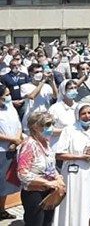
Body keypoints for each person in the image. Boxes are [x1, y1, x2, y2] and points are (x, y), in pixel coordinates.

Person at [52, 102, 90, 226]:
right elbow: (59, 154)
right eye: (83, 113)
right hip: (73, 174)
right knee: (74, 201)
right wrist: (80, 157)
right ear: (78, 115)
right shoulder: (69, 130)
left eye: (89, 113)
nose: (87, 116)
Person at [16, 111, 65, 226]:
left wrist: (58, 178)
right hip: (34, 193)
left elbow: (51, 166)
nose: (51, 128)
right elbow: (22, 173)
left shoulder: (46, 142)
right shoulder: (29, 145)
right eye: (47, 125)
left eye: (52, 124)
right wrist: (47, 182)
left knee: (47, 223)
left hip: (49, 192)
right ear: (35, 127)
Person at [0, 83, 22, 221]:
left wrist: (16, 140)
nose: (9, 97)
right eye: (6, 95)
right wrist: (12, 139)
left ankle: (1, 210)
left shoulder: (10, 107)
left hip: (12, 149)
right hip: (2, 150)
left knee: (6, 183)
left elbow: (18, 125)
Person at [21, 64, 57, 131]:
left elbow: (55, 96)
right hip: (31, 119)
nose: (39, 73)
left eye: (41, 71)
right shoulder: (25, 86)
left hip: (44, 119)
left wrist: (52, 81)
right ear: (30, 73)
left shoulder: (47, 86)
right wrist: (43, 81)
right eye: (37, 72)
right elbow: (32, 96)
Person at [47, 79, 81, 149]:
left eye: (75, 88)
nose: (74, 90)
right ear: (63, 91)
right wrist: (66, 131)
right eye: (71, 88)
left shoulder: (79, 107)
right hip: (58, 145)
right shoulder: (54, 108)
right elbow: (47, 130)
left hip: (76, 145)